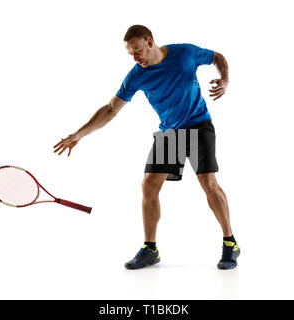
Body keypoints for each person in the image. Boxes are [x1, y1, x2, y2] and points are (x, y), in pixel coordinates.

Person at [53, 25, 240, 270]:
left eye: (138, 50)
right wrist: (79, 134)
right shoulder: (137, 75)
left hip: (198, 124)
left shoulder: (184, 54)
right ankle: (150, 249)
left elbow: (218, 57)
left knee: (208, 183)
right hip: (169, 131)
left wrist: (225, 80)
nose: (135, 57)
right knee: (149, 185)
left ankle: (230, 243)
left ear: (149, 42)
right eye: (131, 53)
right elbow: (111, 109)